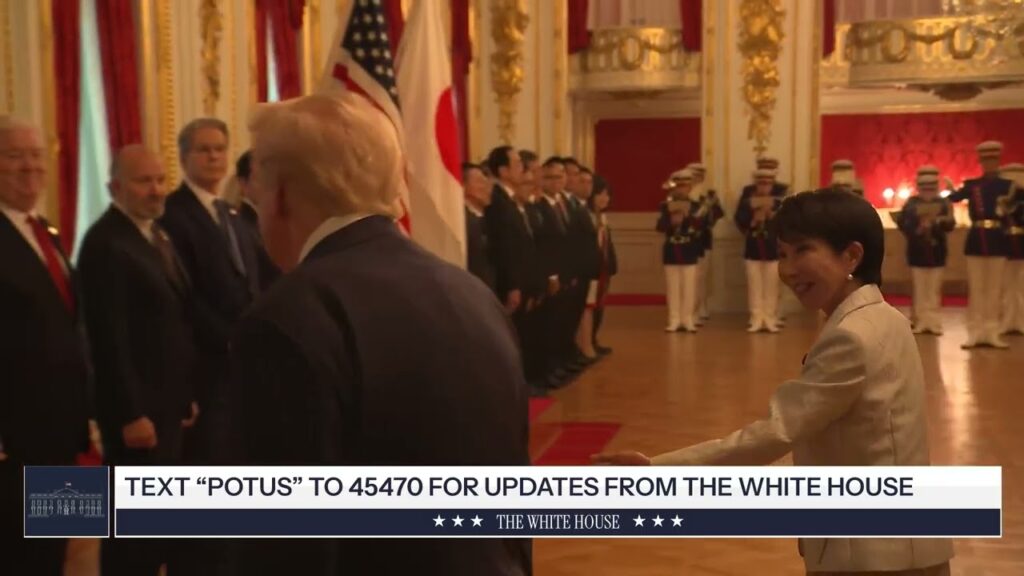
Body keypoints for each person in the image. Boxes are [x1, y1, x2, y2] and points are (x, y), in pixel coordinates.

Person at [229, 92, 531, 575]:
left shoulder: (286, 318)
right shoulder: (472, 294)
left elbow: (288, 539)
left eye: (257, 193)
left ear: (280, 195)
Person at [596, 188, 954, 576]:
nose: (787, 269)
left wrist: (657, 472)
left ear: (852, 255)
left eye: (802, 251)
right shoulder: (885, 316)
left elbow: (776, 432)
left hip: (873, 553)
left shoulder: (852, 336)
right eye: (783, 254)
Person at [77, 144, 200, 575]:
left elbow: (174, 321)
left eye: (159, 179)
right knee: (132, 533)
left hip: (165, 407)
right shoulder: (105, 243)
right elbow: (108, 340)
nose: (155, 190)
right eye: (142, 181)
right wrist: (131, 413)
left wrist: (184, 396)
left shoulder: (154, 234)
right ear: (114, 188)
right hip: (137, 416)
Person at [0, 116, 93, 575]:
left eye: (36, 155)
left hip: (59, 427)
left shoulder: (47, 233)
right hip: (13, 434)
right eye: (14, 155)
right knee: (17, 552)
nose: (28, 167)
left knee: (52, 549)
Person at [947, 140, 1015, 349]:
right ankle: (975, 332)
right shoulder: (972, 185)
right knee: (977, 289)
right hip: (976, 239)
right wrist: (949, 187)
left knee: (995, 289)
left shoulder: (1008, 186)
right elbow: (953, 197)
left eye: (993, 160)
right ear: (980, 161)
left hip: (997, 239)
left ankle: (992, 331)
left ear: (998, 161)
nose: (989, 164)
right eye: (986, 160)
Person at [893, 171, 955, 335]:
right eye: (924, 187)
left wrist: (937, 223)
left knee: (934, 288)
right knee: (920, 289)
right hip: (917, 250)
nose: (928, 191)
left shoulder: (943, 203)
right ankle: (920, 321)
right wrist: (917, 228)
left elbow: (950, 224)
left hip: (937, 251)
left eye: (931, 187)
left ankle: (934, 322)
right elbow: (902, 223)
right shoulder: (911, 203)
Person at [735, 168, 783, 333]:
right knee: (755, 286)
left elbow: (786, 224)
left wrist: (772, 215)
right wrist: (753, 220)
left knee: (771, 286)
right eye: (761, 183)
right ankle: (756, 318)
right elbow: (739, 220)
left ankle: (769, 318)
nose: (764, 187)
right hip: (753, 248)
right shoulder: (747, 202)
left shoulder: (779, 202)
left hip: (772, 249)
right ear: (756, 184)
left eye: (768, 183)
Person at [656, 169, 702, 332]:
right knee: (673, 287)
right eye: (679, 186)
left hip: (689, 248)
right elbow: (659, 227)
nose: (682, 189)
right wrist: (671, 220)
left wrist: (687, 217)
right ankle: (674, 319)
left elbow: (700, 226)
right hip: (672, 249)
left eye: (685, 186)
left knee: (689, 287)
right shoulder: (665, 205)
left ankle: (688, 318)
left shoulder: (696, 205)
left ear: (690, 188)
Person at [687, 162, 723, 324]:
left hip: (704, 240)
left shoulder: (709, 194)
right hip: (688, 241)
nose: (696, 179)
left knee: (702, 276)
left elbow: (718, 214)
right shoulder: (684, 194)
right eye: (693, 176)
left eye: (699, 176)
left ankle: (701, 306)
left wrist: (711, 206)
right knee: (691, 278)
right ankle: (690, 311)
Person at [586, 175, 617, 355]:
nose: (605, 198)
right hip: (592, 269)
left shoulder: (603, 217)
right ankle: (587, 340)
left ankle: (593, 339)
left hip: (604, 269)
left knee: (600, 305)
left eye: (607, 194)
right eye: (600, 194)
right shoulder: (588, 216)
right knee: (590, 305)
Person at [463, 162, 496, 291]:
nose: (486, 187)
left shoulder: (487, 218)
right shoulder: (464, 221)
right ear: (463, 186)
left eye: (486, 181)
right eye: (479, 181)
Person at [999, 162, 1024, 335]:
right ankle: (1006, 320)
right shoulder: (999, 198)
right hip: (1003, 245)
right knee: (1005, 285)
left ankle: (1020, 320)